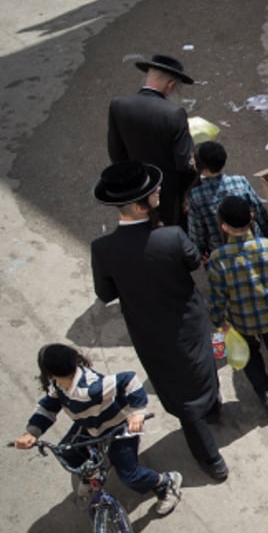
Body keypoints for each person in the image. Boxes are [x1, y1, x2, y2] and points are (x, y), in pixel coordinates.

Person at [91, 161, 228, 481]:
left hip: (149, 331)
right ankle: (213, 411)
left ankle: (210, 457)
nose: (159, 190)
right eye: (153, 190)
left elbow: (105, 293)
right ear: (140, 206)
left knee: (180, 393)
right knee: (204, 365)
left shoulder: (103, 249)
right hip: (188, 320)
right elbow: (194, 260)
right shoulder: (171, 236)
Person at [15, 344, 182, 516]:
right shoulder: (58, 386)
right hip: (90, 426)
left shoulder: (91, 388)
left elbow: (130, 379)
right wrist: (32, 433)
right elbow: (47, 408)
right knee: (68, 453)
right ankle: (93, 474)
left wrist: (137, 413)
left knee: (130, 475)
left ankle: (165, 484)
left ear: (48, 373)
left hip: (118, 429)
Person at [208, 196, 268, 410]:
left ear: (224, 226)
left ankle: (265, 392)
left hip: (241, 321)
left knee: (250, 357)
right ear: (251, 217)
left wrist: (219, 321)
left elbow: (217, 296)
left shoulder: (218, 258)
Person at [107, 54, 197, 228]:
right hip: (168, 195)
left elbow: (116, 153)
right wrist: (187, 191)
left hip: (134, 190)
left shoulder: (118, 105)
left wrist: (131, 187)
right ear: (170, 85)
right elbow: (184, 164)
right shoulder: (174, 114)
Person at [188, 140, 268, 260]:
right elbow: (258, 209)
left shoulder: (196, 195)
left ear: (205, 169)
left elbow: (197, 230)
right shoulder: (240, 182)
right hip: (252, 241)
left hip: (221, 250)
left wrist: (200, 250)